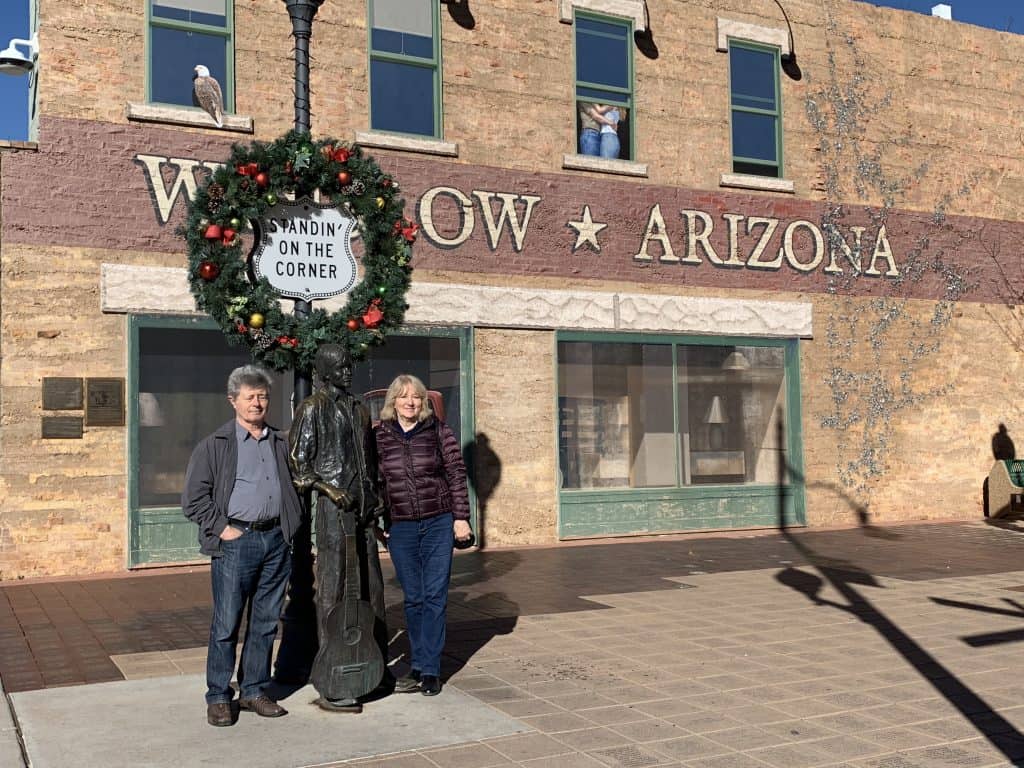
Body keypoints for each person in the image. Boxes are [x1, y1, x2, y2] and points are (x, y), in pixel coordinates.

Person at [182, 365, 302, 727]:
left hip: (276, 541)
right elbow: (193, 499)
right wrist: (224, 529)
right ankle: (219, 696)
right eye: (249, 396)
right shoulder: (215, 445)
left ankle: (253, 690)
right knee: (226, 623)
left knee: (266, 621)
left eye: (262, 396)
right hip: (237, 542)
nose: (257, 402)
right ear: (233, 401)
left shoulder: (280, 441)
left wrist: (289, 529)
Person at [288, 343, 387, 712]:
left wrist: (374, 497)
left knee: (372, 586)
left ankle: (376, 663)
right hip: (333, 511)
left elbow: (370, 461)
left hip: (362, 509)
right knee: (332, 585)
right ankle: (332, 674)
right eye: (341, 367)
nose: (348, 371)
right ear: (326, 371)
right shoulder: (313, 408)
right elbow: (299, 464)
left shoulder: (360, 408)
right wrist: (328, 488)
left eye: (349, 366)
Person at [375, 374, 472, 696]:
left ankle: (429, 669)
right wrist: (379, 520)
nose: (410, 402)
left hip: (438, 523)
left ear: (424, 401)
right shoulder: (380, 436)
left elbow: (457, 474)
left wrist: (461, 518)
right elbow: (375, 481)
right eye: (403, 397)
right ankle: (417, 664)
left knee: (434, 597)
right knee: (413, 599)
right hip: (401, 527)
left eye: (416, 396)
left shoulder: (438, 431)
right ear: (393, 402)